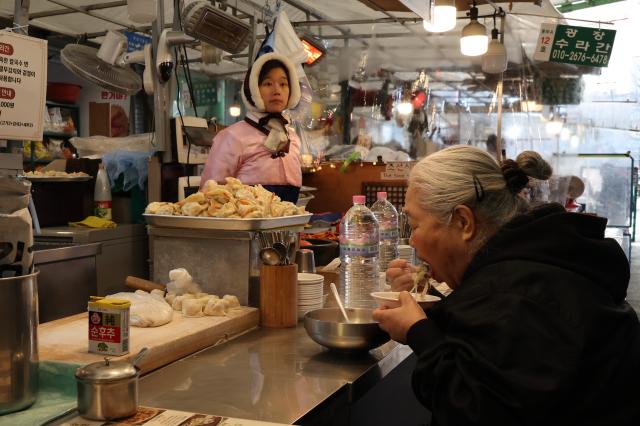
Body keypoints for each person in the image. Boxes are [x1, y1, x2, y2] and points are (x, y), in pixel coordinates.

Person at [374, 145, 640, 425]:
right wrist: (432, 311)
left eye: (415, 226)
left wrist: (418, 332)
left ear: (464, 222)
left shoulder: (516, 293)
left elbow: (473, 411)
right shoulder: (535, 260)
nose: (412, 242)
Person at [200, 52, 302, 203]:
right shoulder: (232, 136)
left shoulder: (292, 138)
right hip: (244, 224)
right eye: (268, 83)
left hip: (287, 224)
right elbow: (209, 193)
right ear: (253, 89)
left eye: (283, 84)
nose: (277, 90)